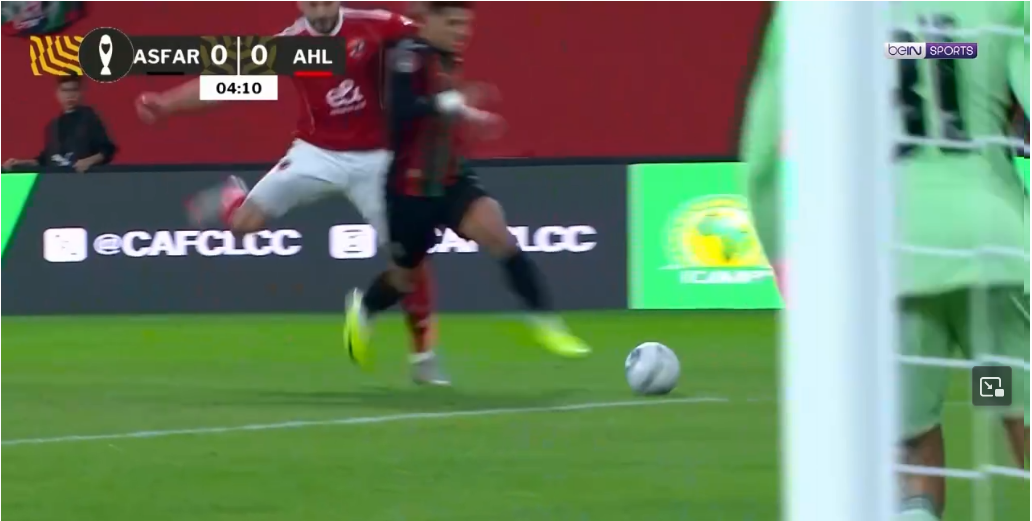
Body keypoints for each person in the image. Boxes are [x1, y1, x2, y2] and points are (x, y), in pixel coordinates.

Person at [740, 3, 1029, 521]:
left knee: (911, 444)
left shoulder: (819, 14)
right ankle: (1001, 398)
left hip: (892, 260)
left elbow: (761, 158)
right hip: (992, 249)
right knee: (1011, 406)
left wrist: (791, 273)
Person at [135, 2, 448, 385]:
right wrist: (166, 104)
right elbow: (226, 84)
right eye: (311, 2)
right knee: (243, 225)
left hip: (377, 159)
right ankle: (233, 197)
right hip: (317, 154)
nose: (320, 8)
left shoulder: (377, 25)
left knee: (411, 260)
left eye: (326, 0)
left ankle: (423, 355)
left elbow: (430, 35)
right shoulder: (290, 45)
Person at [343, 2, 591, 363]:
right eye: (453, 23)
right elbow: (402, 112)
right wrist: (446, 104)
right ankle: (364, 309)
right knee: (404, 278)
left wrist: (470, 114)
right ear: (430, 20)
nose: (462, 32)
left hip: (452, 180)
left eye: (466, 24)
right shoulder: (407, 54)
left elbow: (441, 110)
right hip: (410, 190)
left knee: (500, 237)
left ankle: (548, 322)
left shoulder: (447, 59)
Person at [4, 74, 117, 173]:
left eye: (74, 90)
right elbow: (45, 160)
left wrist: (89, 161)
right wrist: (20, 163)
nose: (70, 95)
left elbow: (107, 151)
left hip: (83, 182)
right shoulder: (53, 126)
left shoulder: (89, 118)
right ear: (57, 93)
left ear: (80, 92)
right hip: (57, 182)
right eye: (65, 90)